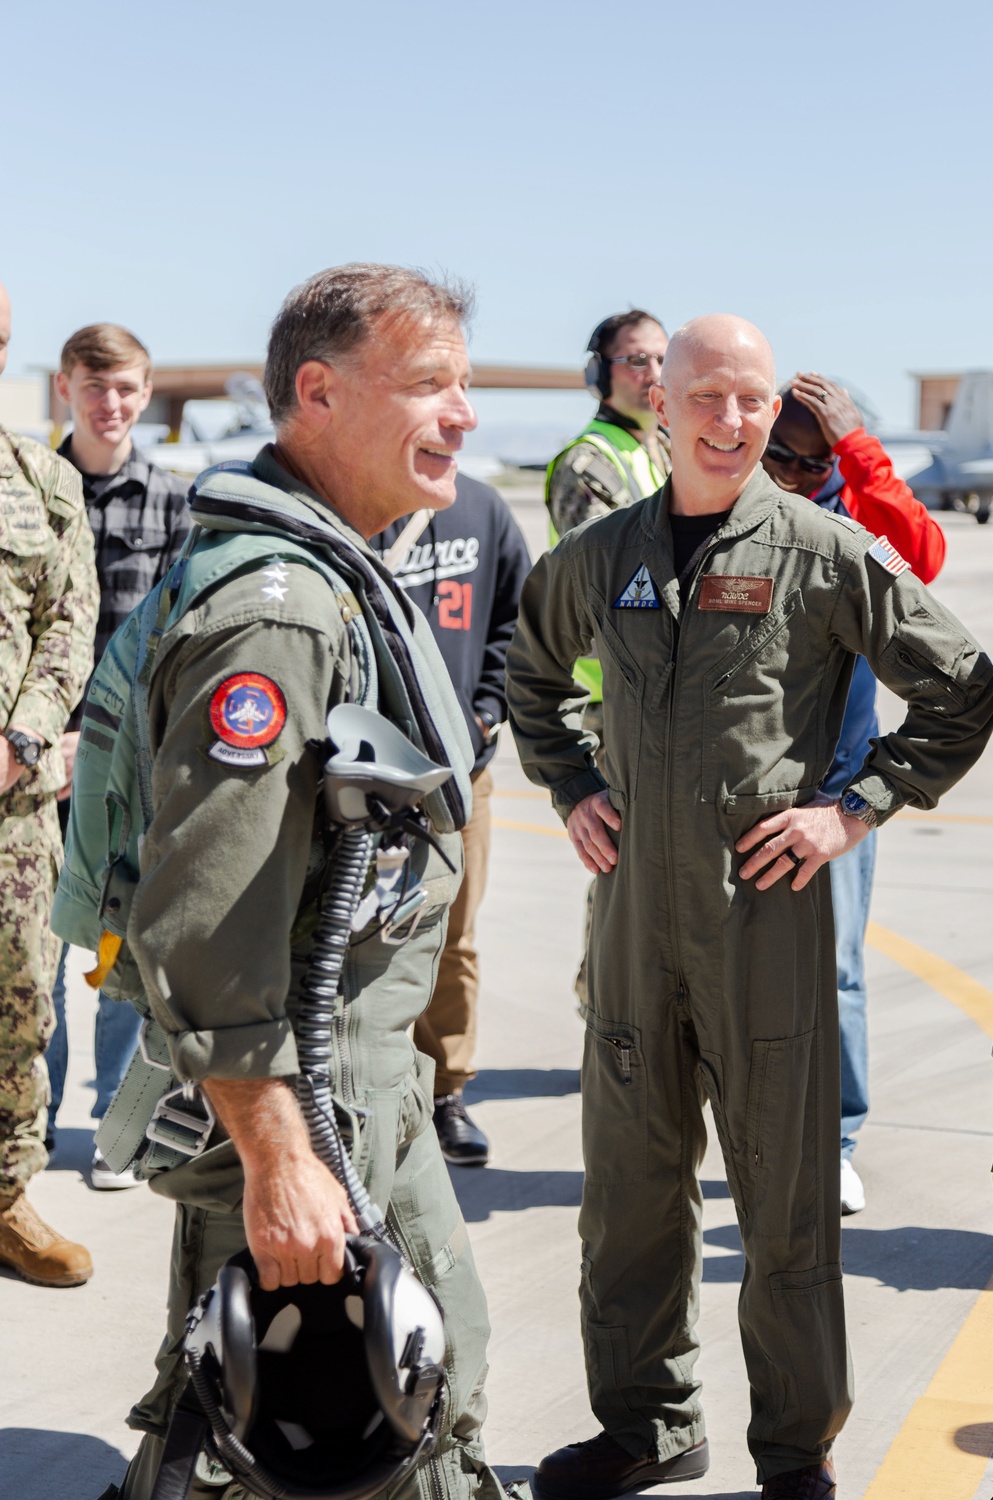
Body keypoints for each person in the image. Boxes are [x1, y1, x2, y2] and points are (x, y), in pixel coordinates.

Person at [506, 314, 993, 1500]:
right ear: (662, 405)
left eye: (754, 401)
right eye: (710, 398)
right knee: (626, 1201)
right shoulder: (600, 555)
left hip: (764, 927)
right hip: (631, 930)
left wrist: (855, 808)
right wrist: (571, 784)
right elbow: (528, 675)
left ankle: (794, 1449)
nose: (733, 422)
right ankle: (644, 1425)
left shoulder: (823, 552)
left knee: (784, 1212)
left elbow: (965, 689)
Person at [105, 264, 522, 1500]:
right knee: (359, 1424)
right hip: (308, 1099)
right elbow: (210, 917)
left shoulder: (336, 571)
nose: (465, 414)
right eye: (431, 385)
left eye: (466, 384)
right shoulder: (279, 615)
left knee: (300, 1402)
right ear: (319, 394)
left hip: (351, 1081)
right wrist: (282, 1159)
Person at [762, 374, 946, 1215]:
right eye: (781, 458)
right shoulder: (722, 501)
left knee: (833, 974)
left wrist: (859, 453)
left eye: (813, 460)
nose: (795, 476)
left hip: (832, 794)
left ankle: (832, 1142)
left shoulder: (851, 513)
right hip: (728, 788)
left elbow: (924, 558)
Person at [45, 324, 190, 1188]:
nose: (111, 404)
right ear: (66, 387)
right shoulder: (28, 488)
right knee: (30, 953)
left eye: (126, 388)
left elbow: (177, 638)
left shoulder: (174, 503)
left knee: (118, 949)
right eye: (95, 387)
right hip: (36, 760)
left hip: (130, 766)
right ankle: (27, 1126)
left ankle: (111, 1127)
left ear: (144, 391)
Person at [373, 475, 531, 1165]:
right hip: (359, 778)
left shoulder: (484, 509)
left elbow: (520, 621)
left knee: (451, 939)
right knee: (352, 940)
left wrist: (489, 709)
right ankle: (366, 1092)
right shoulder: (356, 498)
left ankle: (445, 1092)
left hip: (459, 777)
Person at [0, 280, 99, 1288]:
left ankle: (4, 1198)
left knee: (21, 1002)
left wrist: (22, 743)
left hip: (13, 811)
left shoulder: (42, 480)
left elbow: (71, 626)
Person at [546, 310, 670, 1010]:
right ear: (601, 373)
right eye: (635, 361)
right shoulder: (589, 463)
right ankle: (608, 1011)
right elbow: (608, 586)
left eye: (660, 359)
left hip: (669, 691)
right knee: (622, 868)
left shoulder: (671, 451)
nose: (652, 374)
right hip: (615, 697)